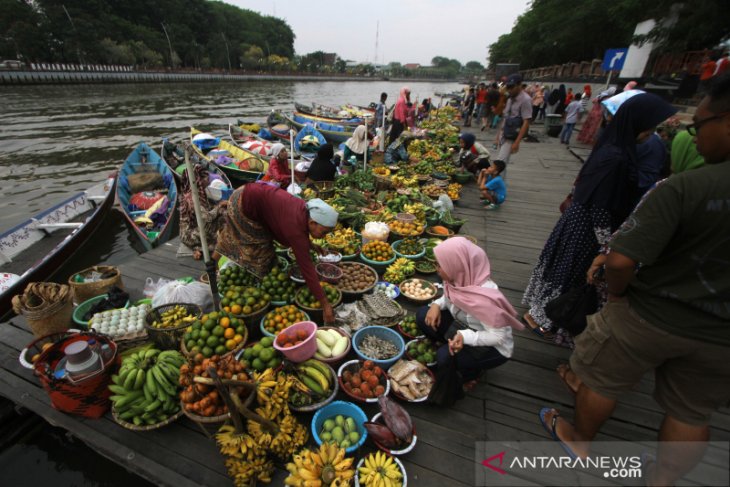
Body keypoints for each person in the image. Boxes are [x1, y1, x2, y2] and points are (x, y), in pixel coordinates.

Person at [538, 73, 730, 487]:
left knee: (602, 378)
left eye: (699, 126)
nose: (692, 138)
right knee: (691, 412)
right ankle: (661, 480)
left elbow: (622, 260)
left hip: (653, 314)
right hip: (721, 334)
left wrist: (618, 297)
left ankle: (581, 441)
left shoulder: (685, 188)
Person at [522, 93, 677, 343]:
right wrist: (608, 245)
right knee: (572, 273)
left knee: (562, 269)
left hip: (577, 219)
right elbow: (601, 207)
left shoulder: (611, 145)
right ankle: (549, 318)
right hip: (588, 226)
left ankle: (542, 313)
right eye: (649, 127)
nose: (651, 132)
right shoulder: (615, 157)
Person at [215, 184, 339, 323]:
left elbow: (291, 231)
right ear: (312, 222)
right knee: (260, 252)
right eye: (323, 232)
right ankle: (259, 288)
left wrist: (310, 245)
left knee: (242, 236)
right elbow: (307, 269)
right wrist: (325, 304)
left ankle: (214, 260)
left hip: (246, 192)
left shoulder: (303, 210)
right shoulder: (296, 227)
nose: (324, 237)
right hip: (244, 204)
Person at [416, 237, 524, 391]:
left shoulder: (486, 299)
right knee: (423, 316)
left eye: (440, 265)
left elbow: (498, 337)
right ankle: (450, 345)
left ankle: (471, 373)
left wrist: (465, 337)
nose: (437, 269)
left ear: (456, 266)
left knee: (444, 357)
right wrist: (436, 305)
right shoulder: (456, 279)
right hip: (463, 326)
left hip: (493, 345)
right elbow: (447, 298)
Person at [179, 164, 228, 260]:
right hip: (188, 235)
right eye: (205, 178)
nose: (208, 180)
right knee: (220, 217)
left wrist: (218, 207)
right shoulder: (192, 197)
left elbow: (207, 210)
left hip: (194, 229)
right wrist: (219, 206)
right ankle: (205, 247)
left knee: (221, 215)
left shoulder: (199, 192)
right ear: (198, 179)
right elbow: (207, 218)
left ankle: (200, 247)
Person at [493, 74, 533, 170]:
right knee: (502, 163)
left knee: (499, 164)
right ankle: (501, 184)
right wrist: (498, 136)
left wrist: (517, 142)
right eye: (508, 87)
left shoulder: (526, 100)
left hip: (512, 135)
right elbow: (505, 118)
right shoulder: (510, 99)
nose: (509, 90)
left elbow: (526, 122)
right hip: (504, 133)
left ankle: (496, 184)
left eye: (512, 87)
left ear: (519, 85)